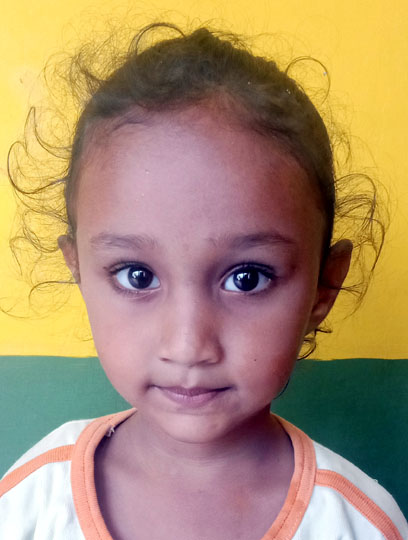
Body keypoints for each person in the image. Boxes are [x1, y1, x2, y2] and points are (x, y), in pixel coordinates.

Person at [0, 22, 406, 540]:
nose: (188, 345)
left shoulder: (360, 525)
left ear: (324, 288)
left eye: (246, 278)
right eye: (137, 275)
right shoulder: (31, 501)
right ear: (78, 268)